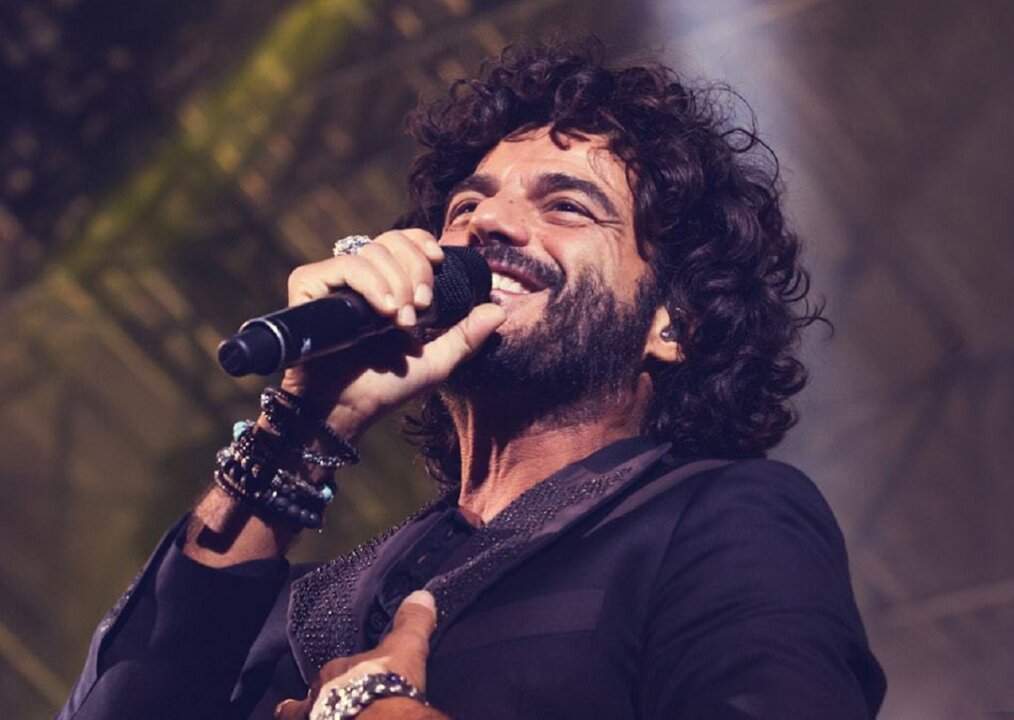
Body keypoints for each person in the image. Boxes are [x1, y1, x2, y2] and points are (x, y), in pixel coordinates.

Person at [59, 39, 886, 720]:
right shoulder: (316, 599)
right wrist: (307, 418)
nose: (488, 221)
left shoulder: (721, 517)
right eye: (465, 206)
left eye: (567, 207)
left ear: (674, 324)